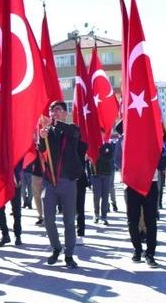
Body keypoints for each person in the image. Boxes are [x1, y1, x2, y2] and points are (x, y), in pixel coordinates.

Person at [38, 101, 86, 269]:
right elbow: (41, 150)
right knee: (48, 219)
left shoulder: (71, 129)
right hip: (50, 182)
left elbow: (74, 133)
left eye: (58, 110)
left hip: (68, 182)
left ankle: (69, 254)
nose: (54, 113)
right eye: (52, 110)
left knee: (69, 221)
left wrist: (55, 124)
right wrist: (42, 138)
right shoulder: (46, 132)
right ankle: (56, 247)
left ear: (65, 113)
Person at [126, 158, 161, 268]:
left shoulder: (154, 139)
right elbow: (118, 158)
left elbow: (161, 156)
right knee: (132, 220)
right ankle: (137, 249)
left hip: (150, 181)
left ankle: (150, 254)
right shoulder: (124, 140)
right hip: (131, 183)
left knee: (150, 220)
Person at [93, 136, 115, 225]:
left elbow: (110, 157)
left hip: (107, 173)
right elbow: (92, 157)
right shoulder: (94, 144)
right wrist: (102, 154)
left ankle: (104, 216)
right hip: (96, 173)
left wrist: (99, 155)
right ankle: (96, 214)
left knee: (105, 196)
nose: (101, 135)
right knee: (97, 195)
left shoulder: (109, 144)